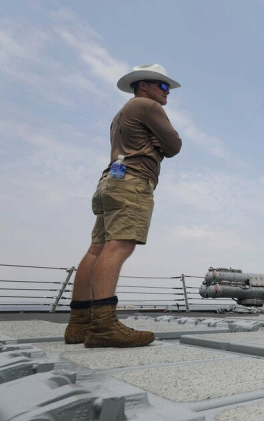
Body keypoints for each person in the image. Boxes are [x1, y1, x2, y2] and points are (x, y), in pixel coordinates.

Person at [64, 64, 182, 348]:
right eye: (163, 86)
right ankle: (104, 326)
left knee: (97, 248)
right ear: (144, 85)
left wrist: (159, 143)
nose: (167, 93)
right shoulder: (146, 105)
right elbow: (175, 144)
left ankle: (79, 323)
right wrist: (161, 145)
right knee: (119, 246)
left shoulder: (121, 114)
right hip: (133, 182)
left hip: (110, 180)